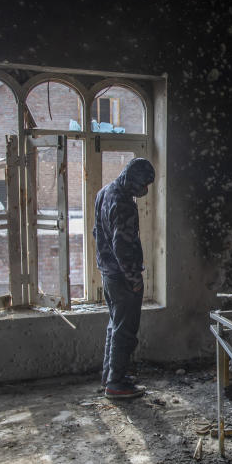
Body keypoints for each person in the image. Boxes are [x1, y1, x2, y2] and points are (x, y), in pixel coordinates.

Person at [93, 158, 155, 400]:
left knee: (115, 325)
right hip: (121, 276)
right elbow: (122, 245)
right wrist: (133, 277)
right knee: (125, 330)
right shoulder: (123, 203)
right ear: (133, 179)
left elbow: (97, 232)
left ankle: (110, 376)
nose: (145, 190)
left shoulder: (105, 192)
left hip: (108, 272)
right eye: (144, 184)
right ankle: (116, 383)